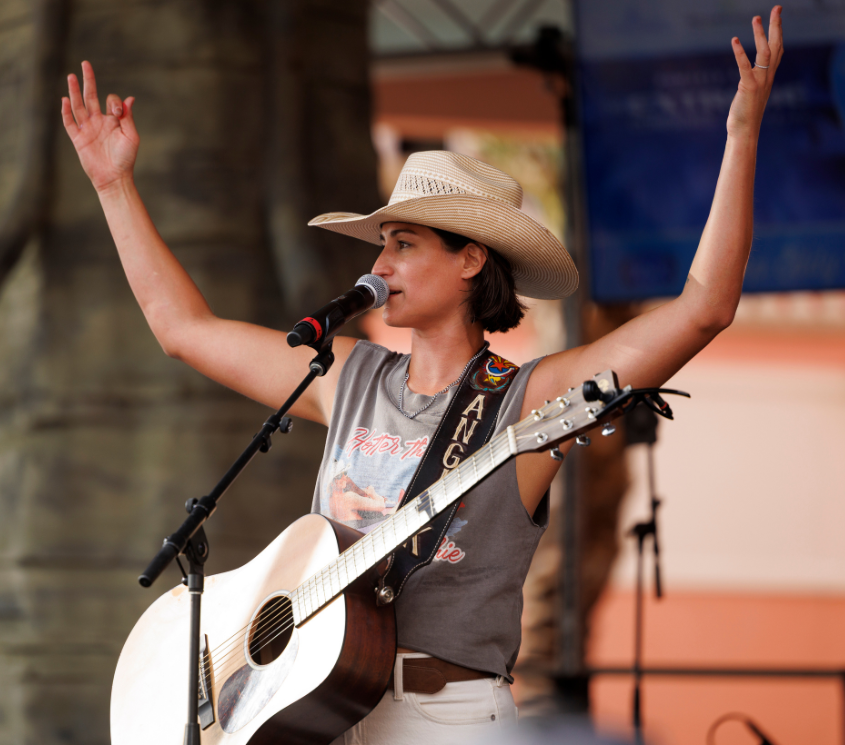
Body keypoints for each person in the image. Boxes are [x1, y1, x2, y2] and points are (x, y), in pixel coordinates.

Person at [61, 8, 783, 744]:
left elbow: (703, 310)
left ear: (470, 258)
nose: (379, 264)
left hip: (444, 718)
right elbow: (183, 330)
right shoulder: (349, 374)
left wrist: (741, 137)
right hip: (319, 707)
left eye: (403, 244)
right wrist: (114, 186)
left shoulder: (528, 400)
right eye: (381, 244)